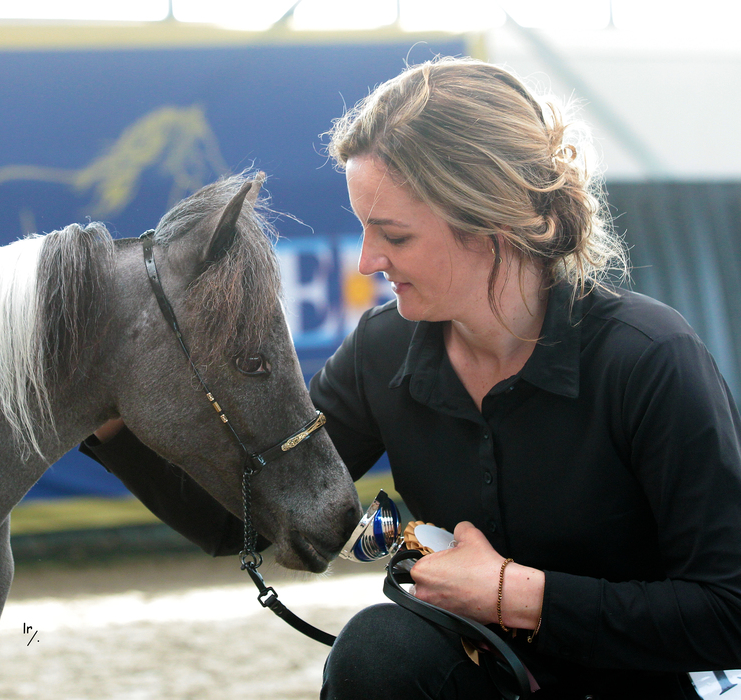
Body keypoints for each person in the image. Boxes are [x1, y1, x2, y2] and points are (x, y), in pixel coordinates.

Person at [82, 57, 741, 698]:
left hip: (653, 681)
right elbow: (247, 518)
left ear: (491, 220)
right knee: (380, 651)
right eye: (364, 230)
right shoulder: (381, 350)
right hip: (488, 676)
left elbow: (729, 614)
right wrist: (101, 399)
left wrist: (516, 595)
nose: (368, 260)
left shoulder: (650, 358)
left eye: (393, 236)